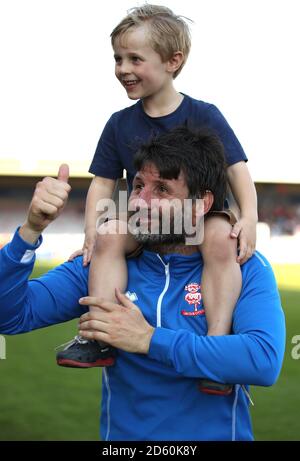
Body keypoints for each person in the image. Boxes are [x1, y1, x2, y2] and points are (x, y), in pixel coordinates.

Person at [0, 126, 285, 441]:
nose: (140, 202)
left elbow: (263, 360)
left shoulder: (244, 267)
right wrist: (30, 230)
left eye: (161, 190)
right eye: (138, 186)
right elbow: (10, 316)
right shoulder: (103, 264)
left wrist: (149, 339)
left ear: (200, 204)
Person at [57, 4, 258, 396]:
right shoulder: (119, 123)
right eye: (117, 58)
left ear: (173, 61)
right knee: (111, 234)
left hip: (202, 216)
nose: (123, 68)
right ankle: (100, 333)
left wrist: (248, 217)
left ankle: (216, 349)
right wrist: (89, 234)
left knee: (221, 239)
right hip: (149, 219)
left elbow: (238, 170)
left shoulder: (205, 114)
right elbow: (102, 184)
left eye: (135, 58)